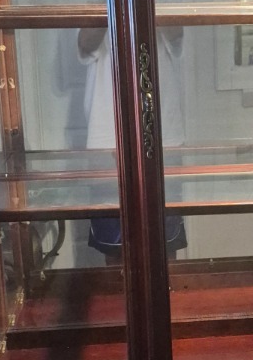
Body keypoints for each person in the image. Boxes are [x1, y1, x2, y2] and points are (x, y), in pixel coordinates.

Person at [78, 24, 187, 259]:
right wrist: (108, 7)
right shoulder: (91, 2)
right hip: (107, 133)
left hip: (162, 131)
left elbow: (176, 33)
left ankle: (166, 295)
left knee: (164, 236)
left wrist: (155, 1)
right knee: (113, 239)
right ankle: (120, 295)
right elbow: (86, 44)